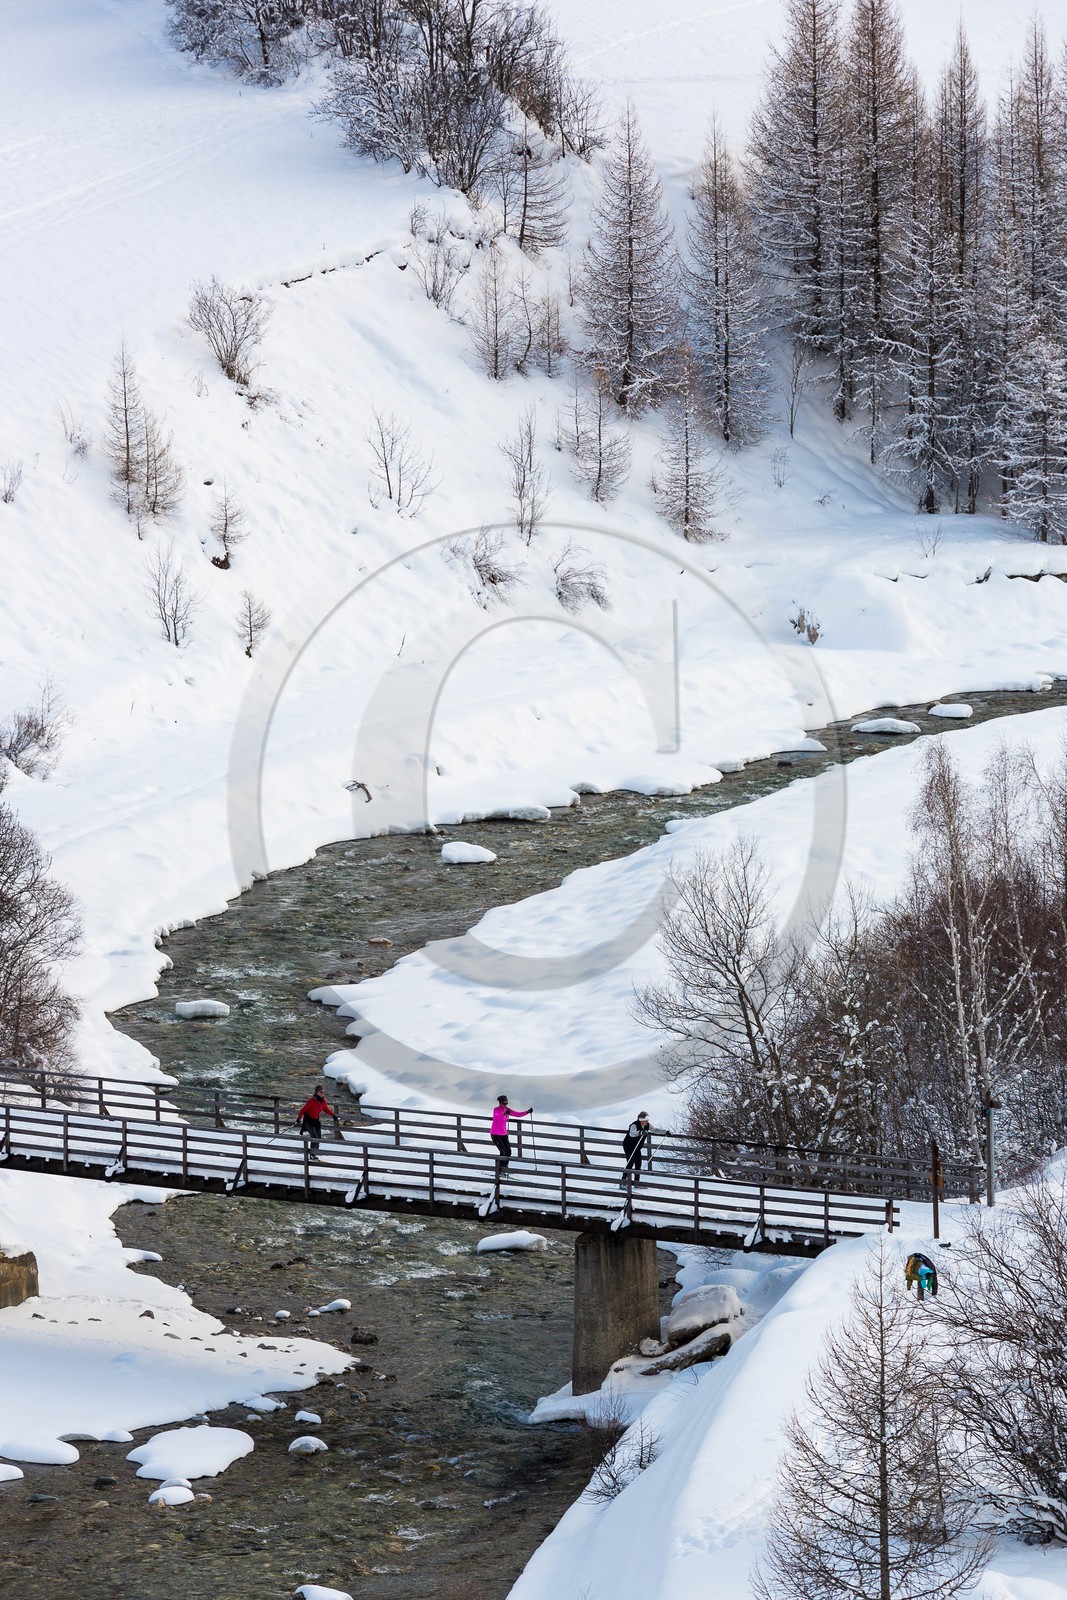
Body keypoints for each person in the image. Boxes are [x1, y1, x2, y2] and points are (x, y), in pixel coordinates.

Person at [490, 1095, 532, 1176]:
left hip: (503, 1134)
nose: (505, 1105)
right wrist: (504, 1113)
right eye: (504, 1103)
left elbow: (518, 1114)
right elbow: (497, 1116)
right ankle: (500, 1170)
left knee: (508, 1152)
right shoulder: (496, 1110)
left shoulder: (507, 1110)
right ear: (500, 1103)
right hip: (495, 1134)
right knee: (503, 1152)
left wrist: (527, 1112)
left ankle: (504, 1168)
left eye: (507, 1103)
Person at [296, 1086, 340, 1162]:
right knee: (314, 1137)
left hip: (316, 1121)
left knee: (318, 1137)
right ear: (317, 1092)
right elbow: (302, 1110)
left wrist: (333, 1115)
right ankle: (312, 1155)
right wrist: (298, 1118)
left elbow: (326, 1109)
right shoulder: (311, 1101)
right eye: (321, 1092)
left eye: (323, 1092)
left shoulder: (323, 1101)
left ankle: (315, 1152)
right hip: (308, 1121)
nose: (322, 1093)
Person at [620, 1112, 652, 1185]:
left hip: (637, 1147)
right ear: (641, 1120)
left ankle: (637, 1182)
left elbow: (655, 1130)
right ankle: (623, 1182)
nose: (647, 1122)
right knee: (630, 1163)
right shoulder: (634, 1125)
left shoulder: (647, 1126)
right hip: (629, 1145)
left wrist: (665, 1132)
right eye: (645, 1120)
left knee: (638, 1163)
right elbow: (632, 1133)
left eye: (647, 1120)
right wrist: (640, 1132)